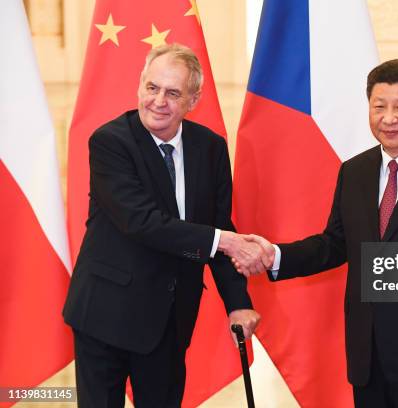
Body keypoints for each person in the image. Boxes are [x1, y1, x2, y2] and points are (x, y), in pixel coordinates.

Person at [243, 59, 398, 407]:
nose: (388, 118)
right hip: (368, 358)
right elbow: (334, 244)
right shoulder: (354, 172)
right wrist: (277, 256)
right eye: (379, 106)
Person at [63, 43, 269, 407]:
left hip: (169, 320)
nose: (159, 101)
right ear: (140, 86)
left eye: (173, 93)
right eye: (152, 88)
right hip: (106, 314)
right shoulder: (111, 142)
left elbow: (219, 225)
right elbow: (142, 222)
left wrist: (237, 302)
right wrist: (225, 241)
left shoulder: (211, 148)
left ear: (193, 99)